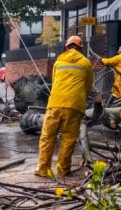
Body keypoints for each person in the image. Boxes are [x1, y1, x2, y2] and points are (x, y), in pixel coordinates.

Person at [35, 35, 94, 178]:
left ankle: (43, 170)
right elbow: (88, 87)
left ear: (66, 47)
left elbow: (55, 81)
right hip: (74, 106)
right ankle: (62, 170)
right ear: (81, 49)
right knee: (68, 138)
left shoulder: (58, 61)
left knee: (47, 137)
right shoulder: (86, 63)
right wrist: (80, 98)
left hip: (54, 104)